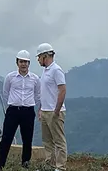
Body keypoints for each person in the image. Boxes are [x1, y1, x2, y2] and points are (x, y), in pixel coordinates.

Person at [0, 49, 41, 170]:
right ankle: (0, 165)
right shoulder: (10, 77)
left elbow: (37, 95)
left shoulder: (35, 79)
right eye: (21, 61)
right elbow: (5, 93)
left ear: (29, 63)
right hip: (13, 111)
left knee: (27, 139)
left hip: (28, 111)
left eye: (26, 62)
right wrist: (13, 103)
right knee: (6, 138)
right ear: (17, 63)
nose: (24, 64)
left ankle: (25, 163)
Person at [36, 43, 67, 171]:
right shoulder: (46, 71)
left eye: (39, 57)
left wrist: (57, 111)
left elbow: (62, 90)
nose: (38, 60)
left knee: (59, 141)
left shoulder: (56, 70)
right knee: (47, 141)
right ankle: (50, 164)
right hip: (45, 111)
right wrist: (41, 109)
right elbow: (45, 92)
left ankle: (60, 167)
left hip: (54, 112)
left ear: (45, 56)